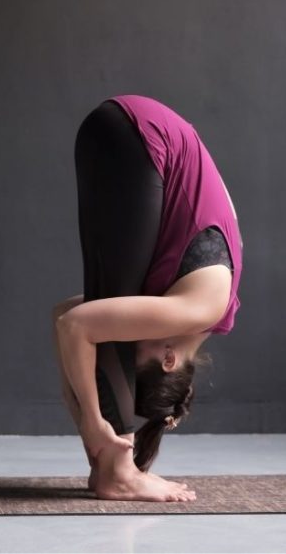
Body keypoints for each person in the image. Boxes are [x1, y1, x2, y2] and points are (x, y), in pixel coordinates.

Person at [52, 95, 244, 502]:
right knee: (100, 332)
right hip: (140, 138)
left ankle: (109, 465)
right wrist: (90, 418)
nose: (127, 338)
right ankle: (117, 473)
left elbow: (66, 314)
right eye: (132, 357)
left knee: (100, 327)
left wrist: (89, 418)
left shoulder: (189, 305)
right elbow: (78, 326)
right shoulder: (198, 308)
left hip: (119, 132)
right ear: (168, 358)